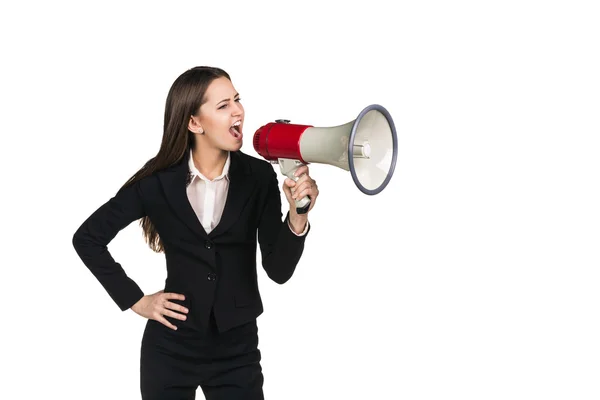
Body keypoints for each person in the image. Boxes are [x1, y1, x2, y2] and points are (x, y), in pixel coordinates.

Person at [72, 66, 319, 399]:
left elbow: (278, 271)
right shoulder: (156, 183)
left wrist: (297, 215)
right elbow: (87, 238)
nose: (238, 111)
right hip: (170, 348)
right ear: (193, 123)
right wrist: (136, 300)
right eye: (223, 105)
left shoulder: (259, 176)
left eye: (237, 100)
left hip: (237, 350)